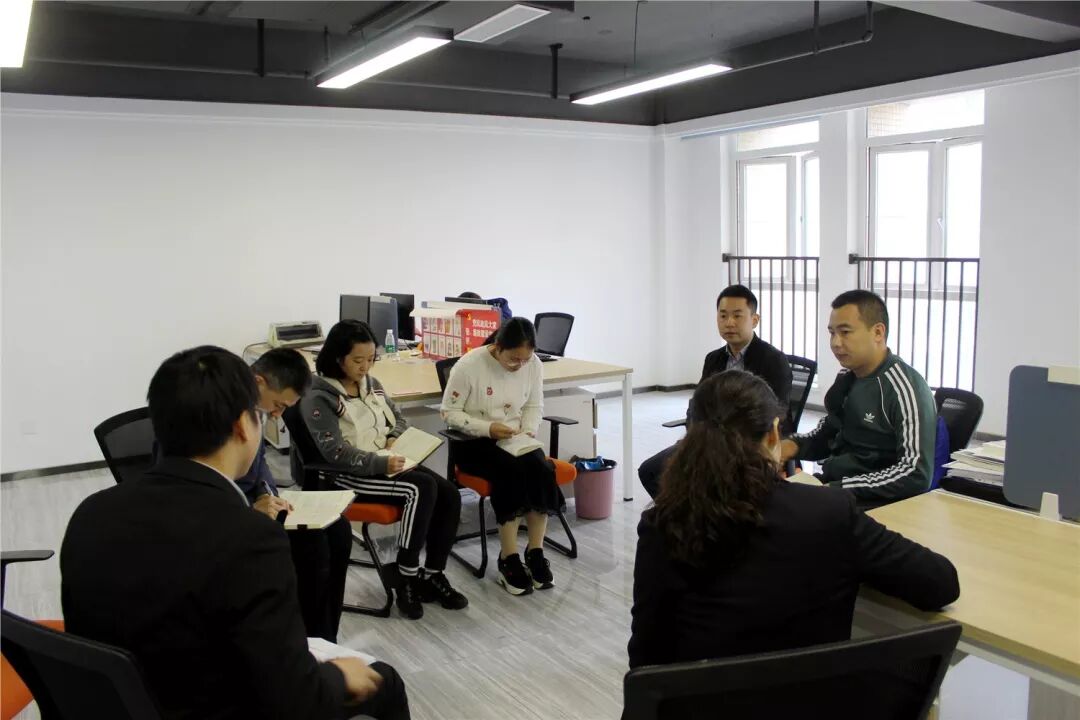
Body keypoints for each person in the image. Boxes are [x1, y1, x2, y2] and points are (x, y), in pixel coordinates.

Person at [61, 346, 410, 720]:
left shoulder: (90, 513)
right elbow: (294, 699)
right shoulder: (248, 538)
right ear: (243, 424)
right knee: (384, 681)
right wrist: (338, 676)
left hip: (124, 704)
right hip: (212, 706)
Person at [628, 370, 959, 670]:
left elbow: (645, 658)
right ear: (774, 435)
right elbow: (940, 583)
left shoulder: (663, 524)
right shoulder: (830, 512)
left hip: (701, 705)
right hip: (813, 704)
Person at [301, 320, 467, 620]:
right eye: (358, 360)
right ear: (338, 358)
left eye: (370, 359)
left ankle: (433, 574)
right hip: (349, 475)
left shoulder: (372, 384)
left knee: (450, 493)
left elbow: (398, 418)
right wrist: (379, 463)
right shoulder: (320, 396)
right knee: (421, 487)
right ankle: (407, 576)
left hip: (387, 462)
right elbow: (334, 452)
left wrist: (394, 436)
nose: (365, 367)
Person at [440, 317, 564, 596]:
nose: (519, 365)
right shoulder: (469, 365)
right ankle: (509, 557)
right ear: (498, 347)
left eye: (525, 359)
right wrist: (488, 428)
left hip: (514, 438)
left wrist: (528, 431)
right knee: (512, 472)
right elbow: (449, 412)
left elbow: (534, 405)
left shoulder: (533, 365)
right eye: (513, 359)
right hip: (474, 441)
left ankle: (535, 551)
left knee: (542, 469)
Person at [781, 290, 938, 509]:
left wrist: (835, 489)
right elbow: (827, 434)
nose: (835, 343)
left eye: (845, 332)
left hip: (876, 503)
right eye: (832, 333)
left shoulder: (904, 387)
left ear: (878, 332)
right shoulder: (847, 377)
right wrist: (787, 446)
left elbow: (915, 473)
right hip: (836, 488)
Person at [638, 284, 792, 499]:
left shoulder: (773, 360)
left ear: (754, 320)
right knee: (650, 471)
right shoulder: (714, 359)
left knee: (714, 481)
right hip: (708, 441)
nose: (729, 322)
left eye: (737, 316)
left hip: (750, 446)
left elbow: (777, 414)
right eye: (723, 316)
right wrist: (693, 436)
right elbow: (697, 405)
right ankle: (687, 515)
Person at [245, 348, 353, 643]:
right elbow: (212, 485)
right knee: (311, 544)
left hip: (258, 504)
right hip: (233, 514)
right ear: (259, 382)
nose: (277, 414)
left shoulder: (254, 409)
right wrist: (250, 505)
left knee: (339, 529)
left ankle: (327, 640)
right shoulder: (225, 417)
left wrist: (267, 493)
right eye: (279, 405)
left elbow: (259, 464)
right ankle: (310, 640)